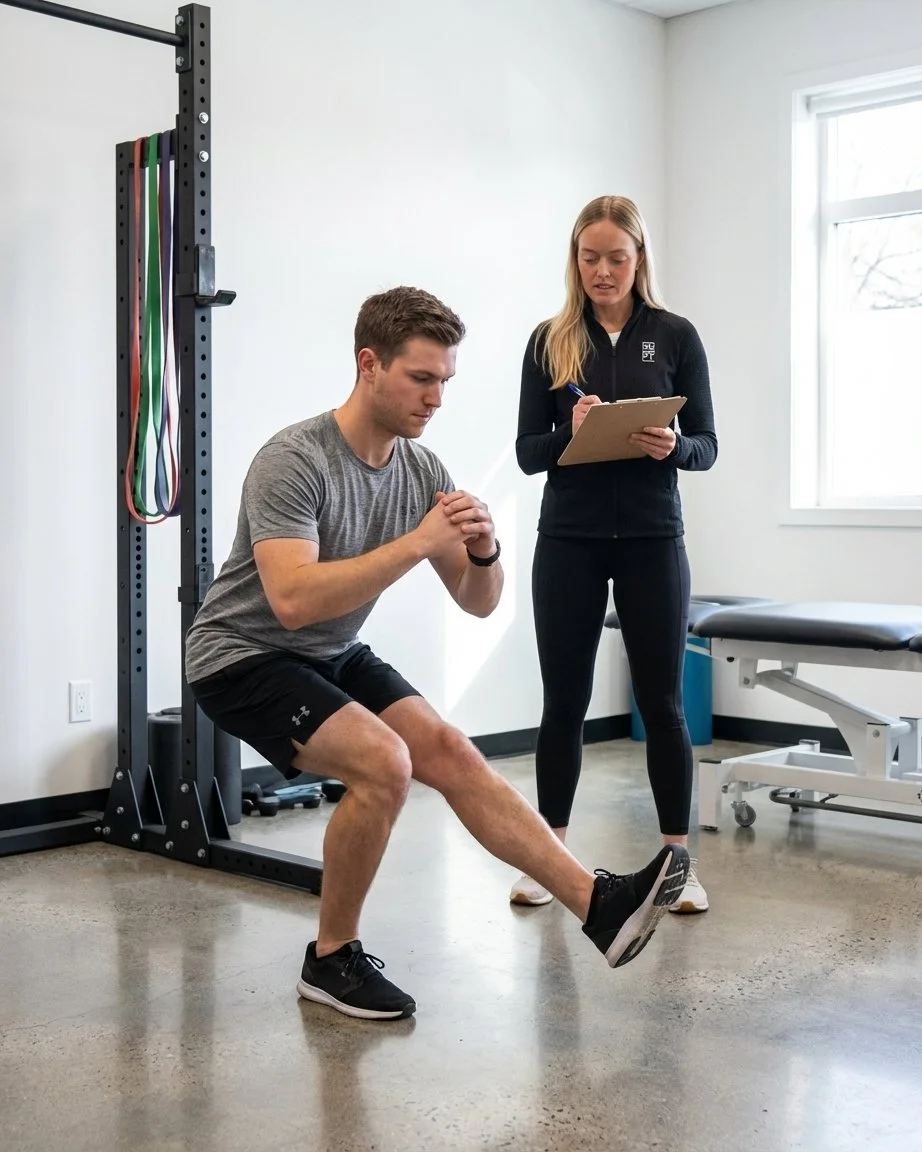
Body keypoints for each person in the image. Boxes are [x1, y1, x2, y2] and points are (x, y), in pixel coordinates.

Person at [184, 285, 690, 1022]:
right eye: (422, 379)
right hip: (241, 654)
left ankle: (598, 905)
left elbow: (477, 601)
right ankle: (331, 960)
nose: (437, 399)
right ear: (369, 365)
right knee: (385, 762)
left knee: (449, 749)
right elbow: (291, 599)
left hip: (329, 649)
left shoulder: (422, 470)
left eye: (445, 381)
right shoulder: (292, 460)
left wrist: (483, 550)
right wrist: (418, 541)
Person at [511, 196, 717, 915]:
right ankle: (547, 861)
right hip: (568, 539)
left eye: (616, 258)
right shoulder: (549, 341)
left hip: (654, 540)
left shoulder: (676, 335)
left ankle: (678, 865)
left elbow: (707, 446)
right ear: (576, 260)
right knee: (563, 703)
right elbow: (527, 454)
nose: (602, 270)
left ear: (639, 260)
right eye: (590, 257)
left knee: (662, 703)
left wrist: (674, 445)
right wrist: (570, 430)